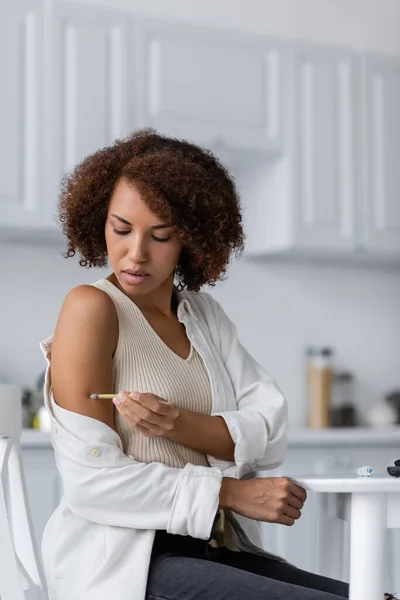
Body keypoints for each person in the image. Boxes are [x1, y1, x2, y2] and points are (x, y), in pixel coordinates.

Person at [39, 129, 391, 600]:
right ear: (98, 219)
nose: (135, 252)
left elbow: (271, 429)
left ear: (192, 238)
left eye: (161, 235)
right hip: (129, 565)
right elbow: (92, 484)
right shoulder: (91, 308)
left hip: (215, 549)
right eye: (120, 228)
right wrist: (230, 493)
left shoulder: (204, 316)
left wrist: (180, 424)